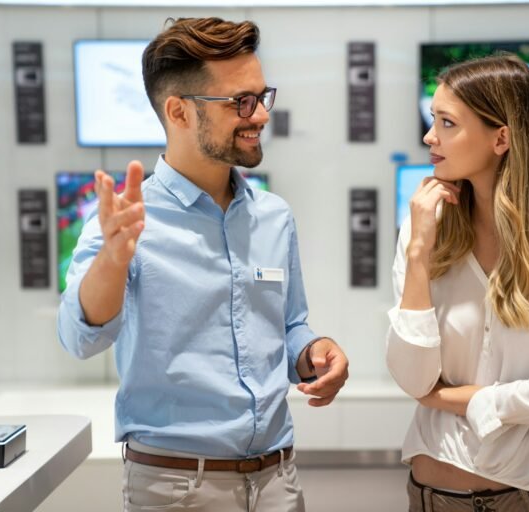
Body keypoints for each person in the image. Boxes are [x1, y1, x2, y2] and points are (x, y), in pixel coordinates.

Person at [57, 17, 349, 512]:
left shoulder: (274, 217)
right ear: (179, 112)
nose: (259, 115)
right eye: (241, 102)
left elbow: (290, 325)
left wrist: (314, 351)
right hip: (177, 489)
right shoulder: (128, 222)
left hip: (279, 478)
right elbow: (79, 336)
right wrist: (113, 258)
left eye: (261, 96)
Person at [386, 54, 529, 512]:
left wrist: (448, 397)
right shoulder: (422, 232)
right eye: (433, 120)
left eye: (447, 123)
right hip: (429, 497)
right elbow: (413, 378)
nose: (430, 137)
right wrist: (417, 256)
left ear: (501, 138)